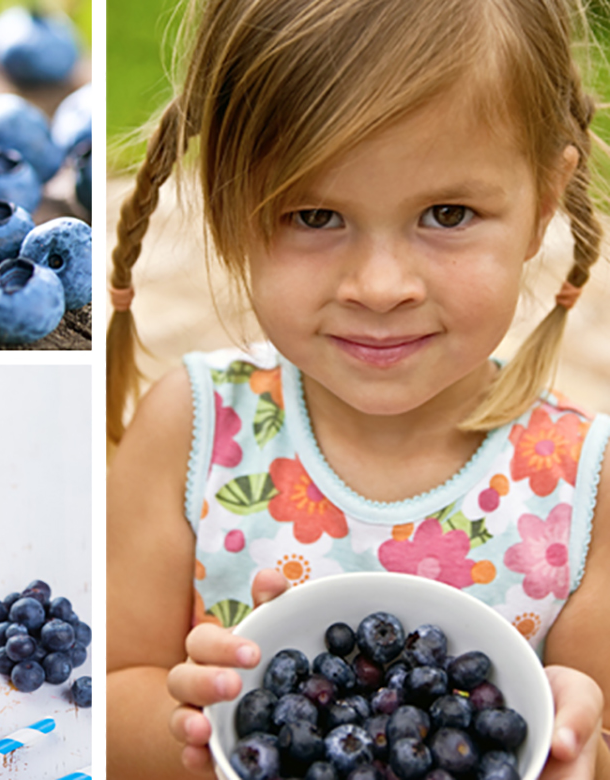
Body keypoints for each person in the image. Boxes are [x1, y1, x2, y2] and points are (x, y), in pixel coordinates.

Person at [104, 0, 610, 776]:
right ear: (230, 205)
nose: (379, 286)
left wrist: (581, 753)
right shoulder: (194, 429)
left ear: (544, 200)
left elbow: (589, 737)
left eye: (448, 213)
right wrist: (199, 731)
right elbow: (105, 695)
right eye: (314, 214)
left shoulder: (583, 487)